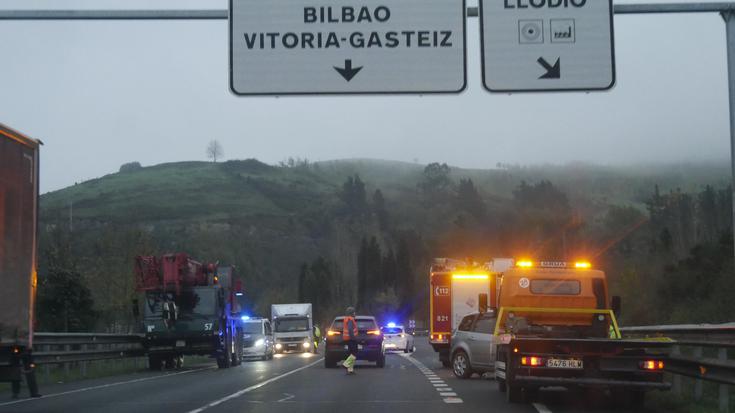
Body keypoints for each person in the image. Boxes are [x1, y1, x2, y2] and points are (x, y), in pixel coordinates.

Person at [341, 306, 358, 375]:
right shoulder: (350, 319)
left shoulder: (347, 319)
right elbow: (350, 329)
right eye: (354, 312)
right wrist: (353, 337)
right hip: (351, 339)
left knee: (351, 354)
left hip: (348, 339)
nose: (355, 313)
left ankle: (350, 370)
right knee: (354, 353)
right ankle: (346, 364)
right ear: (351, 313)